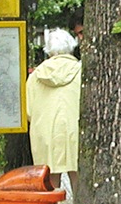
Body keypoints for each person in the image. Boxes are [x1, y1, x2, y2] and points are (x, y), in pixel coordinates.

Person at [26, 28, 82, 191]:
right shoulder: (81, 72)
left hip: (46, 135)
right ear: (71, 47)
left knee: (49, 185)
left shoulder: (36, 76)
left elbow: (29, 111)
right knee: (79, 184)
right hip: (76, 133)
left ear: (48, 50)